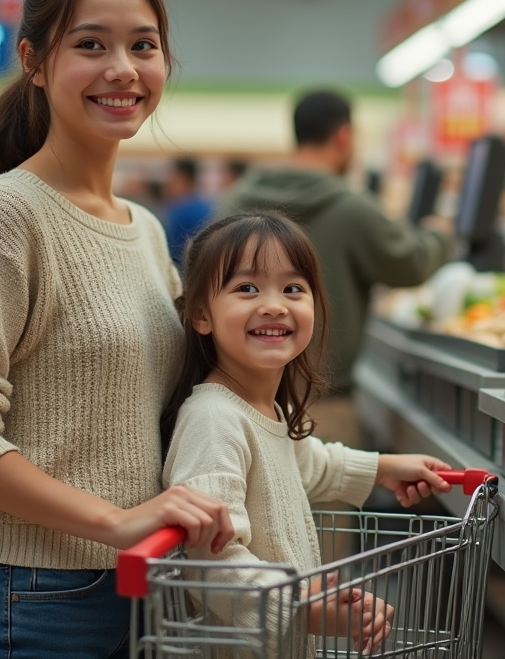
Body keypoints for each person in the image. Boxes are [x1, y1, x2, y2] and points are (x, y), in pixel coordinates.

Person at [0, 0, 232, 659]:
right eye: (91, 44)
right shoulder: (8, 216)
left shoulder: (141, 228)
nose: (122, 69)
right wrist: (112, 520)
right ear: (35, 62)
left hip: (144, 585)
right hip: (34, 598)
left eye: (143, 45)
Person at [161, 213, 453, 653]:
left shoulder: (263, 408)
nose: (275, 304)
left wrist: (383, 468)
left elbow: (305, 463)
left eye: (293, 289)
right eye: (246, 288)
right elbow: (212, 558)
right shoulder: (214, 419)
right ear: (201, 314)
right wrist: (305, 607)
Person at [219, 91, 451, 447]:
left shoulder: (235, 201)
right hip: (324, 407)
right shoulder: (351, 207)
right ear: (344, 136)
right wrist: (439, 235)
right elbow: (410, 264)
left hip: (237, 402)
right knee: (326, 498)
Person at [163, 157, 212, 265]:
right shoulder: (206, 206)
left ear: (182, 177)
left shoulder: (179, 210)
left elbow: (172, 251)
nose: (167, 182)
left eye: (171, 176)